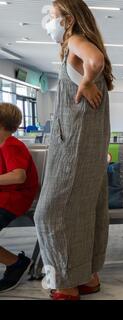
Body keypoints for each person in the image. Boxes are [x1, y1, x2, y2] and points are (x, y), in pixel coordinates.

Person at [35, 0, 113, 300]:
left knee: (49, 214)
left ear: (68, 20)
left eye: (52, 17)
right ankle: (88, 276)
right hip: (87, 146)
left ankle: (66, 282)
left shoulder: (76, 41)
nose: (48, 23)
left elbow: (94, 60)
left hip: (75, 147)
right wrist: (87, 80)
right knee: (85, 209)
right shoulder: (79, 44)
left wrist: (86, 82)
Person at [0, 103, 39, 293]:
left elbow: (18, 176)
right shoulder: (4, 144)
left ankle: (16, 263)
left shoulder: (11, 145)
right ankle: (15, 262)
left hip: (12, 200)